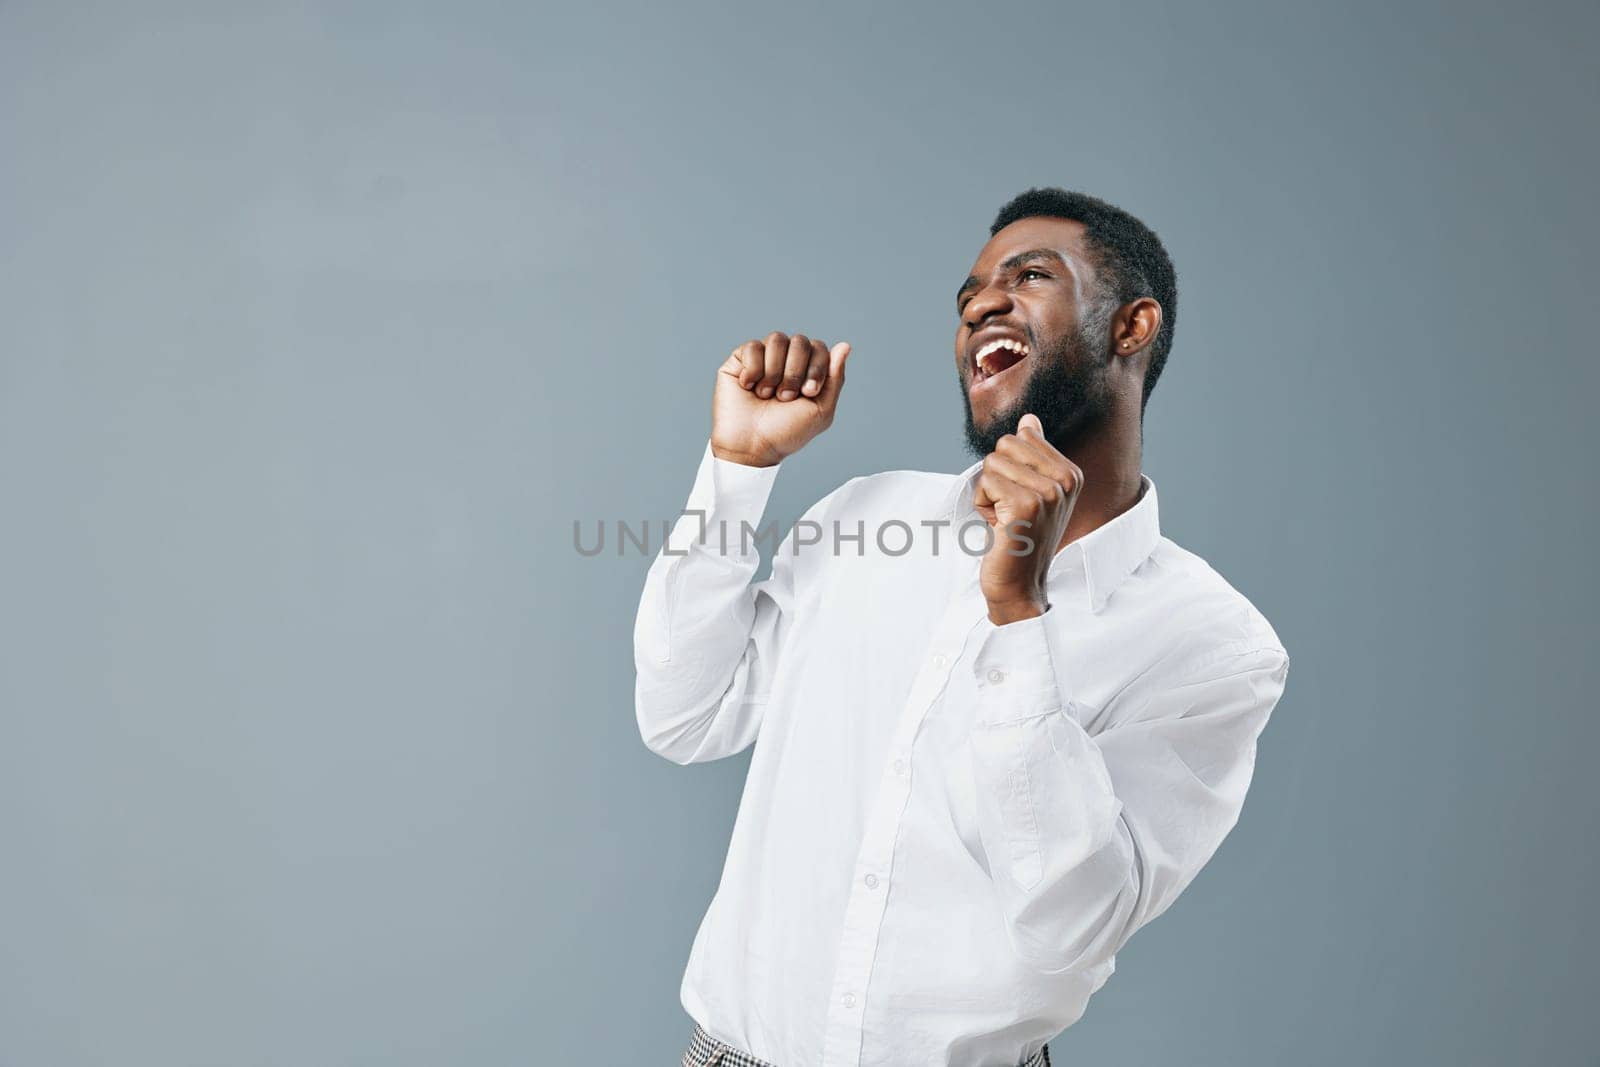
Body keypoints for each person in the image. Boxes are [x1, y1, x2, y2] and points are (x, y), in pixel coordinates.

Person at [635, 187, 1291, 1067]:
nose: (982, 301)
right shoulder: (861, 520)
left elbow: (1073, 920)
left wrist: (1019, 614)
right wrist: (737, 469)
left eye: (1031, 275)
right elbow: (685, 715)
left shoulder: (1215, 645)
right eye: (969, 294)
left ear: (1132, 327)